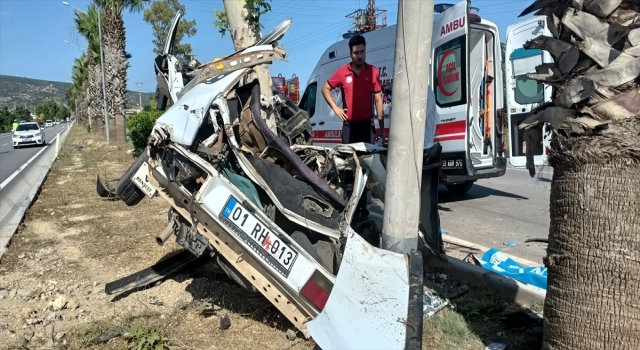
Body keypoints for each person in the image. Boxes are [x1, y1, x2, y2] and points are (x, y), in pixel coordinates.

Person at [321, 34, 383, 219]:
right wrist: (336, 108)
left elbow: (378, 99)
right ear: (351, 53)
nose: (360, 56)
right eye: (356, 52)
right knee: (349, 168)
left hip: (366, 127)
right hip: (349, 128)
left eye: (362, 51)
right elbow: (325, 88)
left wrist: (381, 128)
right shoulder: (342, 72)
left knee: (366, 168)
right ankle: (348, 207)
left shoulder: (373, 71)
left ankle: (363, 208)